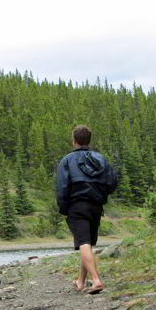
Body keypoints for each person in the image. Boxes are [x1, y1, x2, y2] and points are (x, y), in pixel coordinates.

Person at [55, 125, 118, 294]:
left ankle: (96, 280)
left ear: (74, 141)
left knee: (83, 243)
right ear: (88, 140)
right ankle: (81, 282)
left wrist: (63, 207)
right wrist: (101, 194)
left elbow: (61, 187)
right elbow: (113, 182)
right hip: (96, 205)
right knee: (87, 244)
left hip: (77, 205)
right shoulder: (100, 159)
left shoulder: (67, 160)